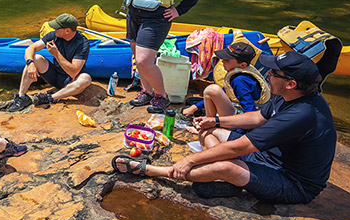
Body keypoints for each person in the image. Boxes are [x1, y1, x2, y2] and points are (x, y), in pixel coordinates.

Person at [112, 51, 336, 204]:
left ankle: (151, 170)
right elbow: (258, 117)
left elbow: (241, 147)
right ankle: (219, 178)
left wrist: (190, 160)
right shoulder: (287, 95)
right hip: (270, 159)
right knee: (209, 132)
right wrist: (216, 121)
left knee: (227, 167)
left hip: (292, 181)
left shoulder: (302, 113)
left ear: (291, 83)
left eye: (274, 73)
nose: (267, 74)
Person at [9, 13, 92, 112]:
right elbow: (31, 48)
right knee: (36, 58)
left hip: (71, 80)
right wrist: (30, 63)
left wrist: (56, 54)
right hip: (54, 76)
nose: (54, 29)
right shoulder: (54, 35)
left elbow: (73, 72)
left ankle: (50, 98)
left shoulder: (82, 43)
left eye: (57, 28)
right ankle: (22, 97)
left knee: (86, 79)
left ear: (67, 30)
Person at [181, 42, 271, 132]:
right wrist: (195, 107)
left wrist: (238, 135)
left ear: (242, 65)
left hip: (246, 121)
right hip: (239, 111)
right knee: (213, 91)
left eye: (227, 60)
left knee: (211, 90)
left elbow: (250, 112)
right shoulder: (241, 72)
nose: (223, 61)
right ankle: (209, 124)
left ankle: (209, 128)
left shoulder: (239, 81)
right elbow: (225, 91)